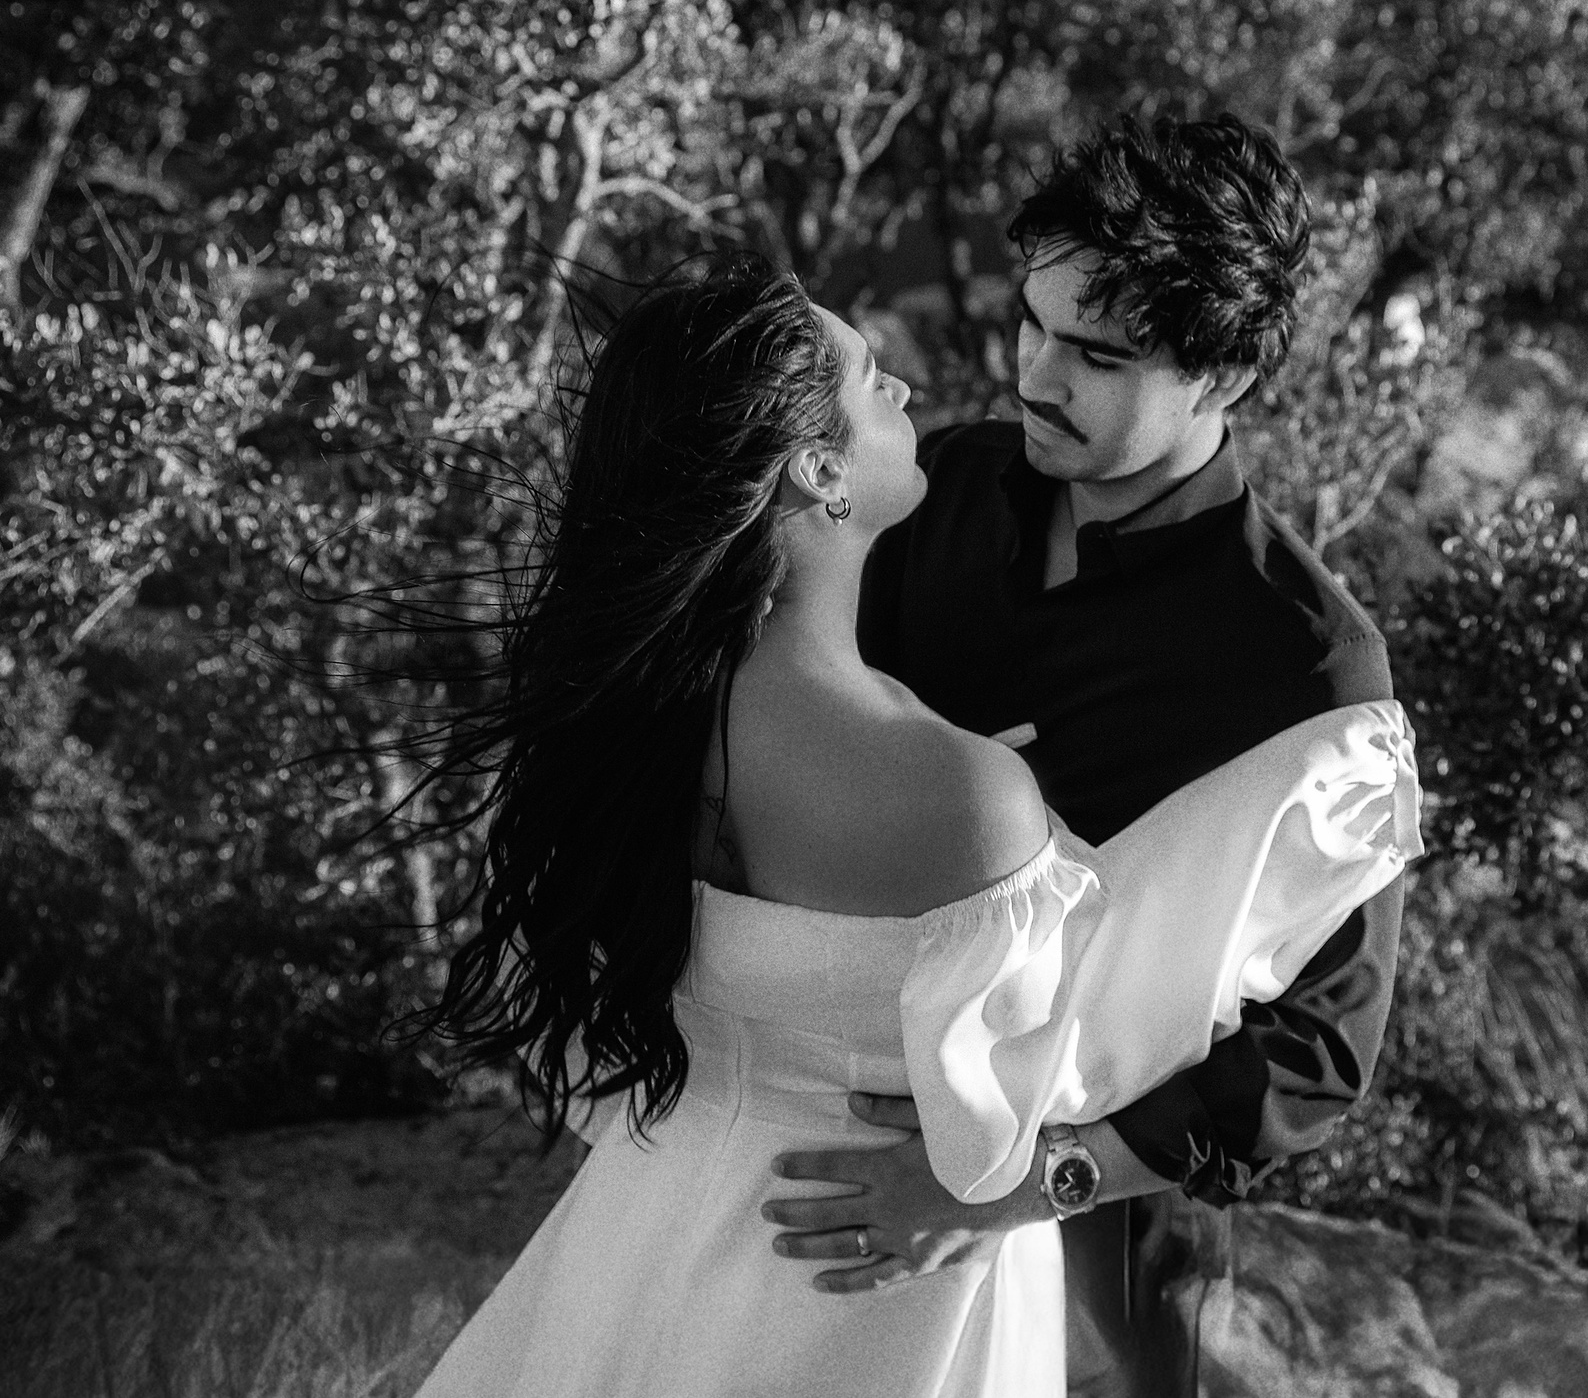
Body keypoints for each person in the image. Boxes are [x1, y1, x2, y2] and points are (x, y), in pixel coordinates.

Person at [407, 251, 1419, 1398]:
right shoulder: (970, 790)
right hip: (885, 1272)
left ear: (1218, 378)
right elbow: (1092, 1035)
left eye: (1096, 351)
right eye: (869, 375)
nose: (910, 386)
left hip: (653, 1214)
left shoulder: (640, 713)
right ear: (818, 468)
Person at [762, 115, 1406, 1397]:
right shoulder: (941, 487)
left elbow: (1320, 1049)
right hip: (819, 1144)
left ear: (1223, 376)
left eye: (1099, 354)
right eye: (1033, 323)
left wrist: (1017, 1187)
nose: (1037, 374)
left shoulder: (1308, 672)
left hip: (1099, 1245)